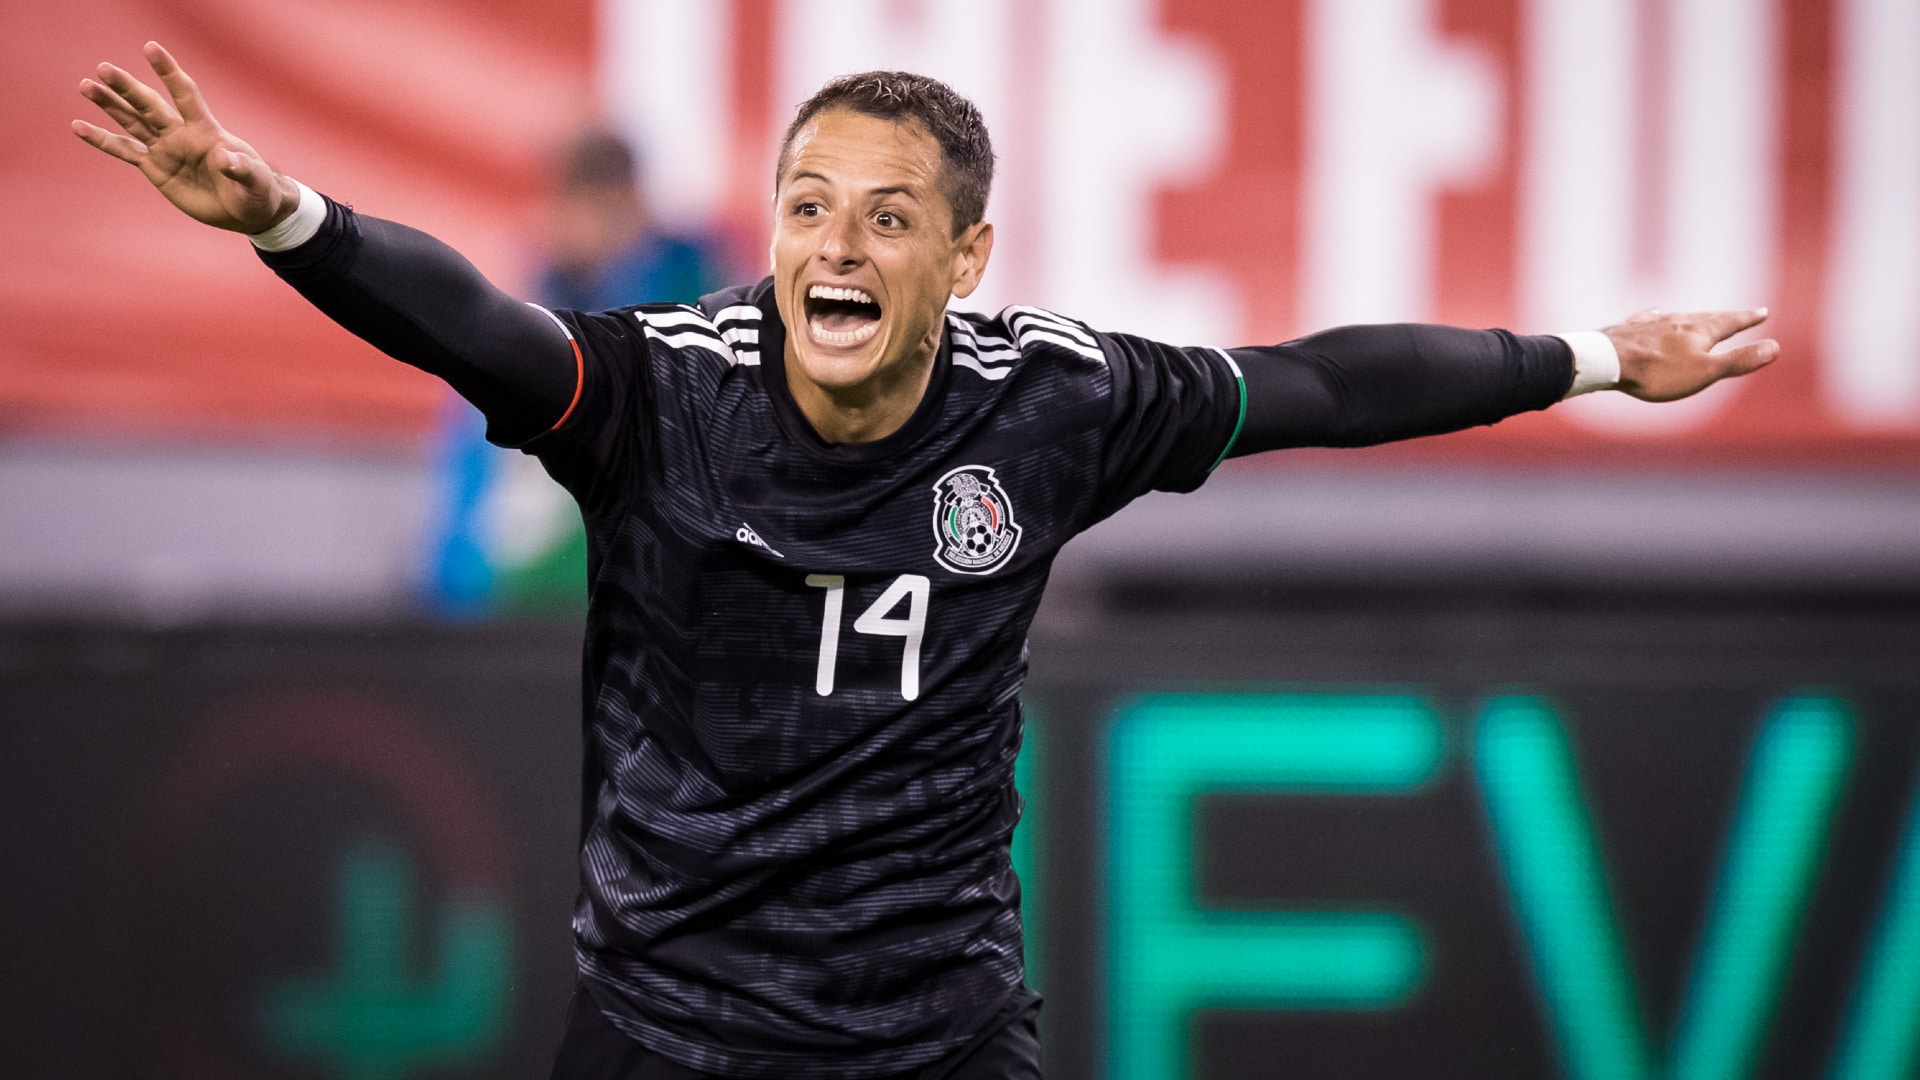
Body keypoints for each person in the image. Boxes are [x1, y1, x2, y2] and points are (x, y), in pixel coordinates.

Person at [73, 42, 1777, 1080]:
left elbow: (1325, 386)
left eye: (887, 214)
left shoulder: (1052, 403)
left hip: (931, 1032)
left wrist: (1601, 358)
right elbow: (481, 332)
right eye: (808, 203)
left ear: (965, 254)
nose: (836, 242)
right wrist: (291, 218)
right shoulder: (665, 393)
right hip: (668, 1022)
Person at [429, 128, 729, 615]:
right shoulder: (528, 305)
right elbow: (471, 470)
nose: (563, 222)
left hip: (624, 597)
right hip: (511, 599)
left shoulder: (688, 295)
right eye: (560, 200)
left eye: (585, 202)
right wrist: (452, 586)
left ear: (630, 207)